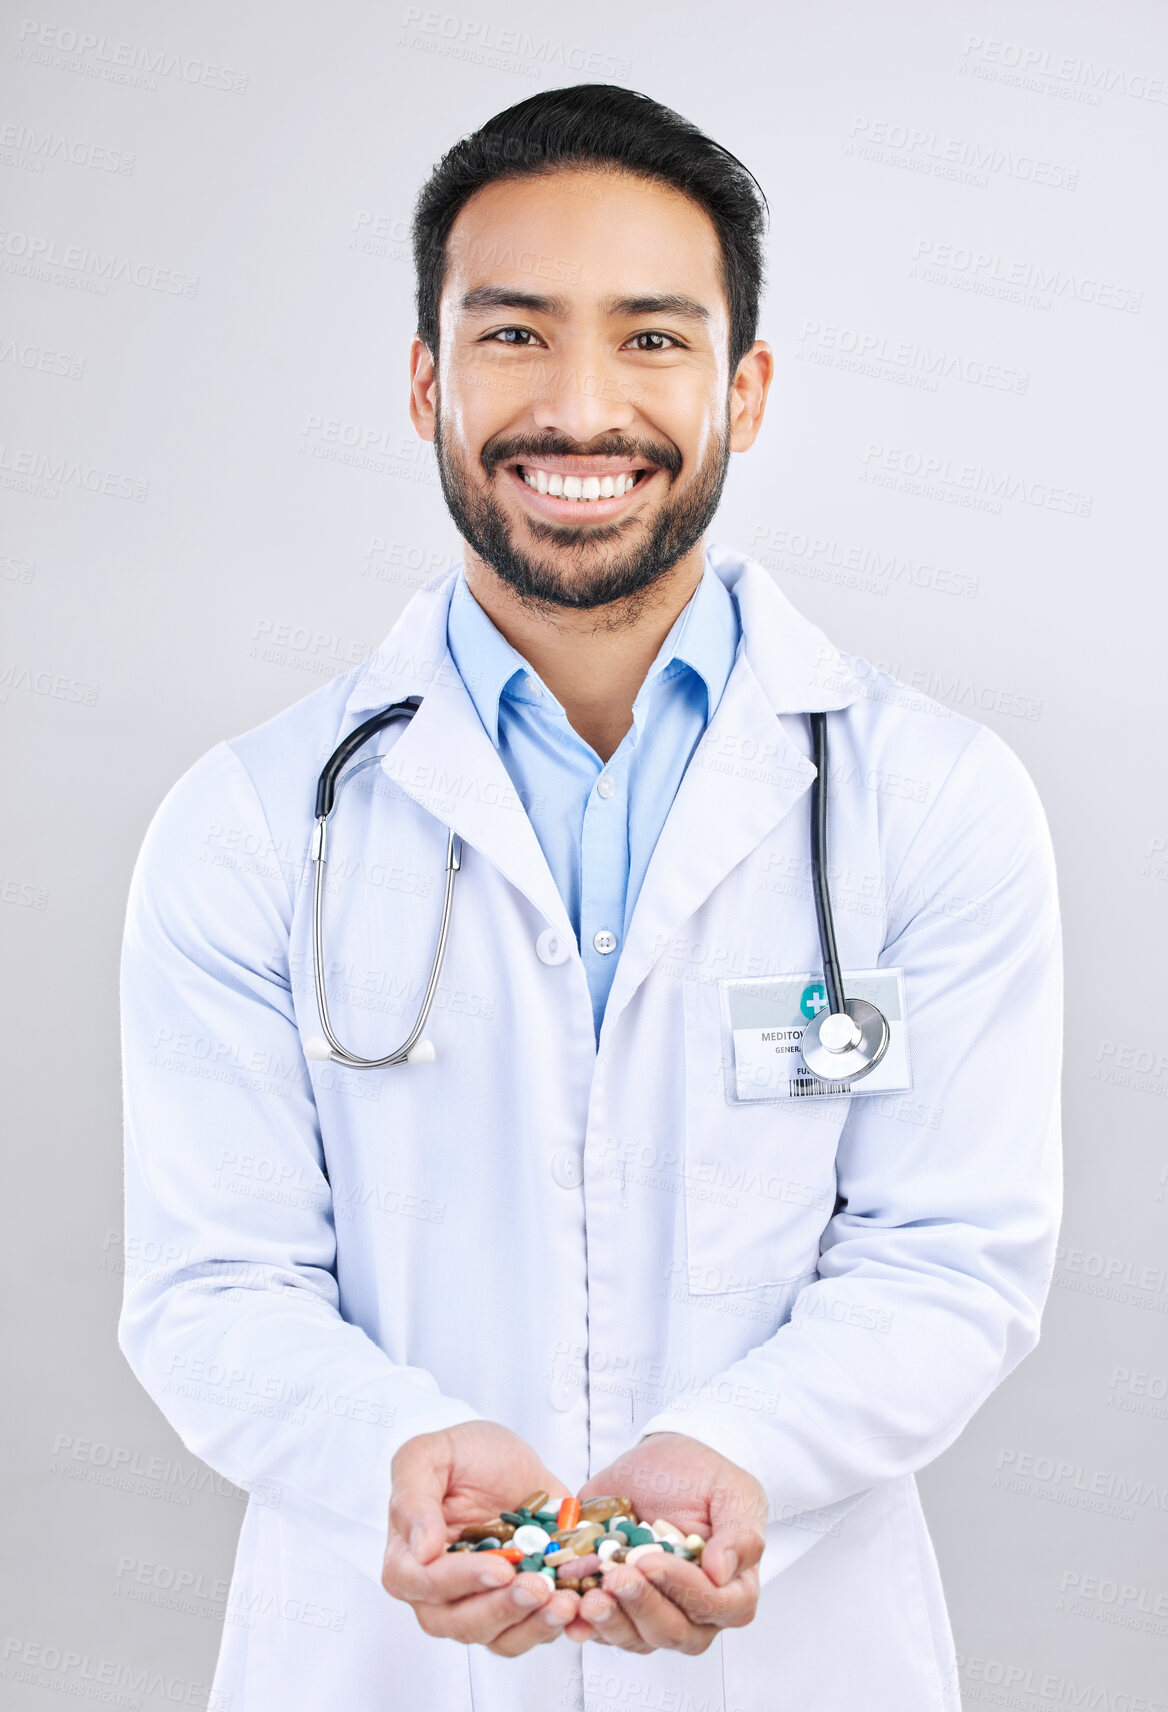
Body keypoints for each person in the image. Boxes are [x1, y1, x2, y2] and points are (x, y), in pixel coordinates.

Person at [117, 84, 1063, 1712]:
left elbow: (950, 1261)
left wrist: (737, 1451)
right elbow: (214, 1286)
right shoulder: (256, 821)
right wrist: (398, 1454)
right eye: (511, 336)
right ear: (425, 378)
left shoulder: (931, 804)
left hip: (793, 1664)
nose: (577, 407)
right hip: (378, 1666)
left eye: (650, 339)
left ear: (744, 389)